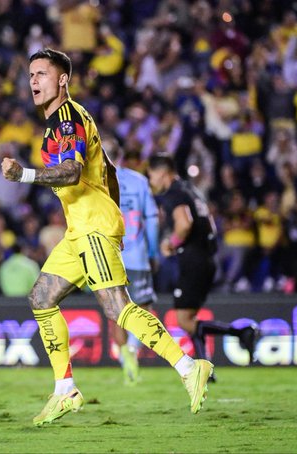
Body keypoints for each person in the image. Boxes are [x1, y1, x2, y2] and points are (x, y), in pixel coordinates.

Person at [1, 48, 213, 427]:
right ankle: (65, 389)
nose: (34, 81)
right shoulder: (71, 117)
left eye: (42, 74)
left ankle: (188, 367)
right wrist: (114, 216)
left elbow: (69, 172)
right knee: (41, 297)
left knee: (118, 309)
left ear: (62, 79)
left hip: (91, 227)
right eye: (31, 75)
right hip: (82, 228)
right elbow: (111, 171)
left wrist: (25, 176)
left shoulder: (65, 119)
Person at [146, 154, 259, 375]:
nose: (151, 181)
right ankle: (206, 369)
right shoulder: (191, 191)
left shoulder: (173, 194)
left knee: (183, 320)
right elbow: (211, 227)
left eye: (151, 175)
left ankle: (242, 332)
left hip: (193, 260)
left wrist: (171, 243)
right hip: (207, 258)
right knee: (191, 318)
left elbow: (185, 224)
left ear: (162, 172)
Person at [106, 140, 160, 386]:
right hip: (137, 256)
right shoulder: (139, 181)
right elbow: (152, 220)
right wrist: (153, 251)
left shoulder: (95, 181)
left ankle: (124, 359)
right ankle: (131, 349)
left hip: (107, 256)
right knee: (144, 308)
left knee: (116, 313)